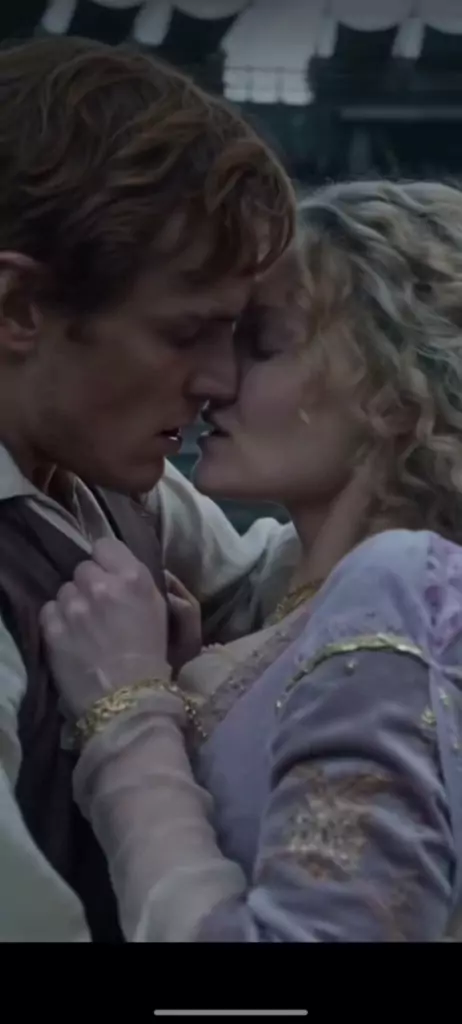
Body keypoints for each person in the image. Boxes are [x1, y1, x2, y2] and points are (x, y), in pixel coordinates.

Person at [43, 179, 462, 942]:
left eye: (262, 344)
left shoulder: (399, 583)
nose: (215, 382)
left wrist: (127, 712)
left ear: (396, 389)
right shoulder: (309, 589)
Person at [0, 36, 299, 942]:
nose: (220, 379)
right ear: (18, 308)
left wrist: (394, 456)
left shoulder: (101, 470)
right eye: (184, 333)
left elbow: (270, 591)